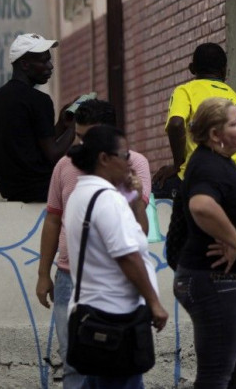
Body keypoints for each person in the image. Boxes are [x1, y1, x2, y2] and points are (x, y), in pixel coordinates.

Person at [35, 99, 152, 388]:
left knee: (120, 363)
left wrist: (134, 196)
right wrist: (42, 274)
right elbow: (52, 220)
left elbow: (141, 230)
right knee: (75, 362)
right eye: (79, 137)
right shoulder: (65, 165)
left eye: (90, 137)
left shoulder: (132, 164)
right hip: (68, 276)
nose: (82, 145)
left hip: (115, 282)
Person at [172, 97, 236, 388]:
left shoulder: (224, 164)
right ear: (215, 134)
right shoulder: (206, 165)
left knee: (233, 378)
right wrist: (235, 241)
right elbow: (201, 206)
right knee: (216, 377)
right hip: (217, 280)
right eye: (233, 123)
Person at [65, 125, 168, 388]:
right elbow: (128, 257)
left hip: (93, 315)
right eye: (124, 156)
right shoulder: (107, 200)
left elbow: (137, 234)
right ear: (104, 158)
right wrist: (154, 302)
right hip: (116, 321)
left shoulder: (82, 194)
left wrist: (132, 198)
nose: (129, 164)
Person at [152, 42, 236, 198]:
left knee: (153, 189)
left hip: (201, 179)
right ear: (225, 70)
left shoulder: (185, 91)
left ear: (192, 68)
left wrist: (178, 165)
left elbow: (176, 124)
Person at [0, 33, 75, 202]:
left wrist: (62, 125)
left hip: (12, 192)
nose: (50, 66)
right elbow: (53, 154)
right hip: (41, 192)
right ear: (25, 64)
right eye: (43, 61)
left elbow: (31, 145)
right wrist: (76, 126)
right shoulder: (38, 100)